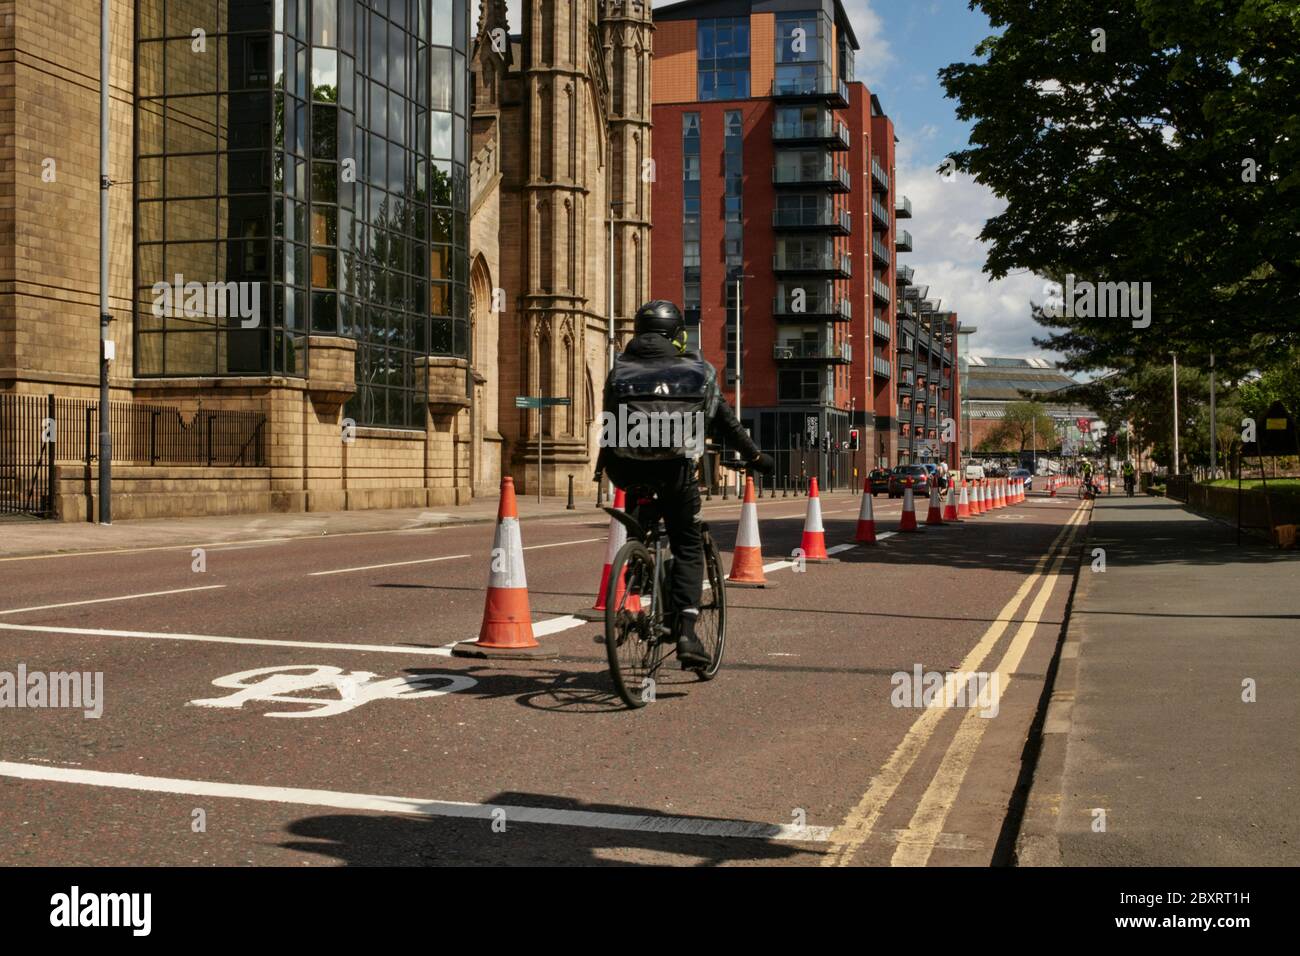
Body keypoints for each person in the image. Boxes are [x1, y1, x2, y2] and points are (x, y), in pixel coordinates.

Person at [595, 300, 774, 669]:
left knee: (639, 521)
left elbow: (608, 421)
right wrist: (756, 458)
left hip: (626, 468)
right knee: (688, 544)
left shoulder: (619, 369)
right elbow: (726, 422)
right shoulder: (698, 370)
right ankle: (688, 634)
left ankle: (637, 567)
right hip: (674, 470)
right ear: (678, 336)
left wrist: (606, 467)